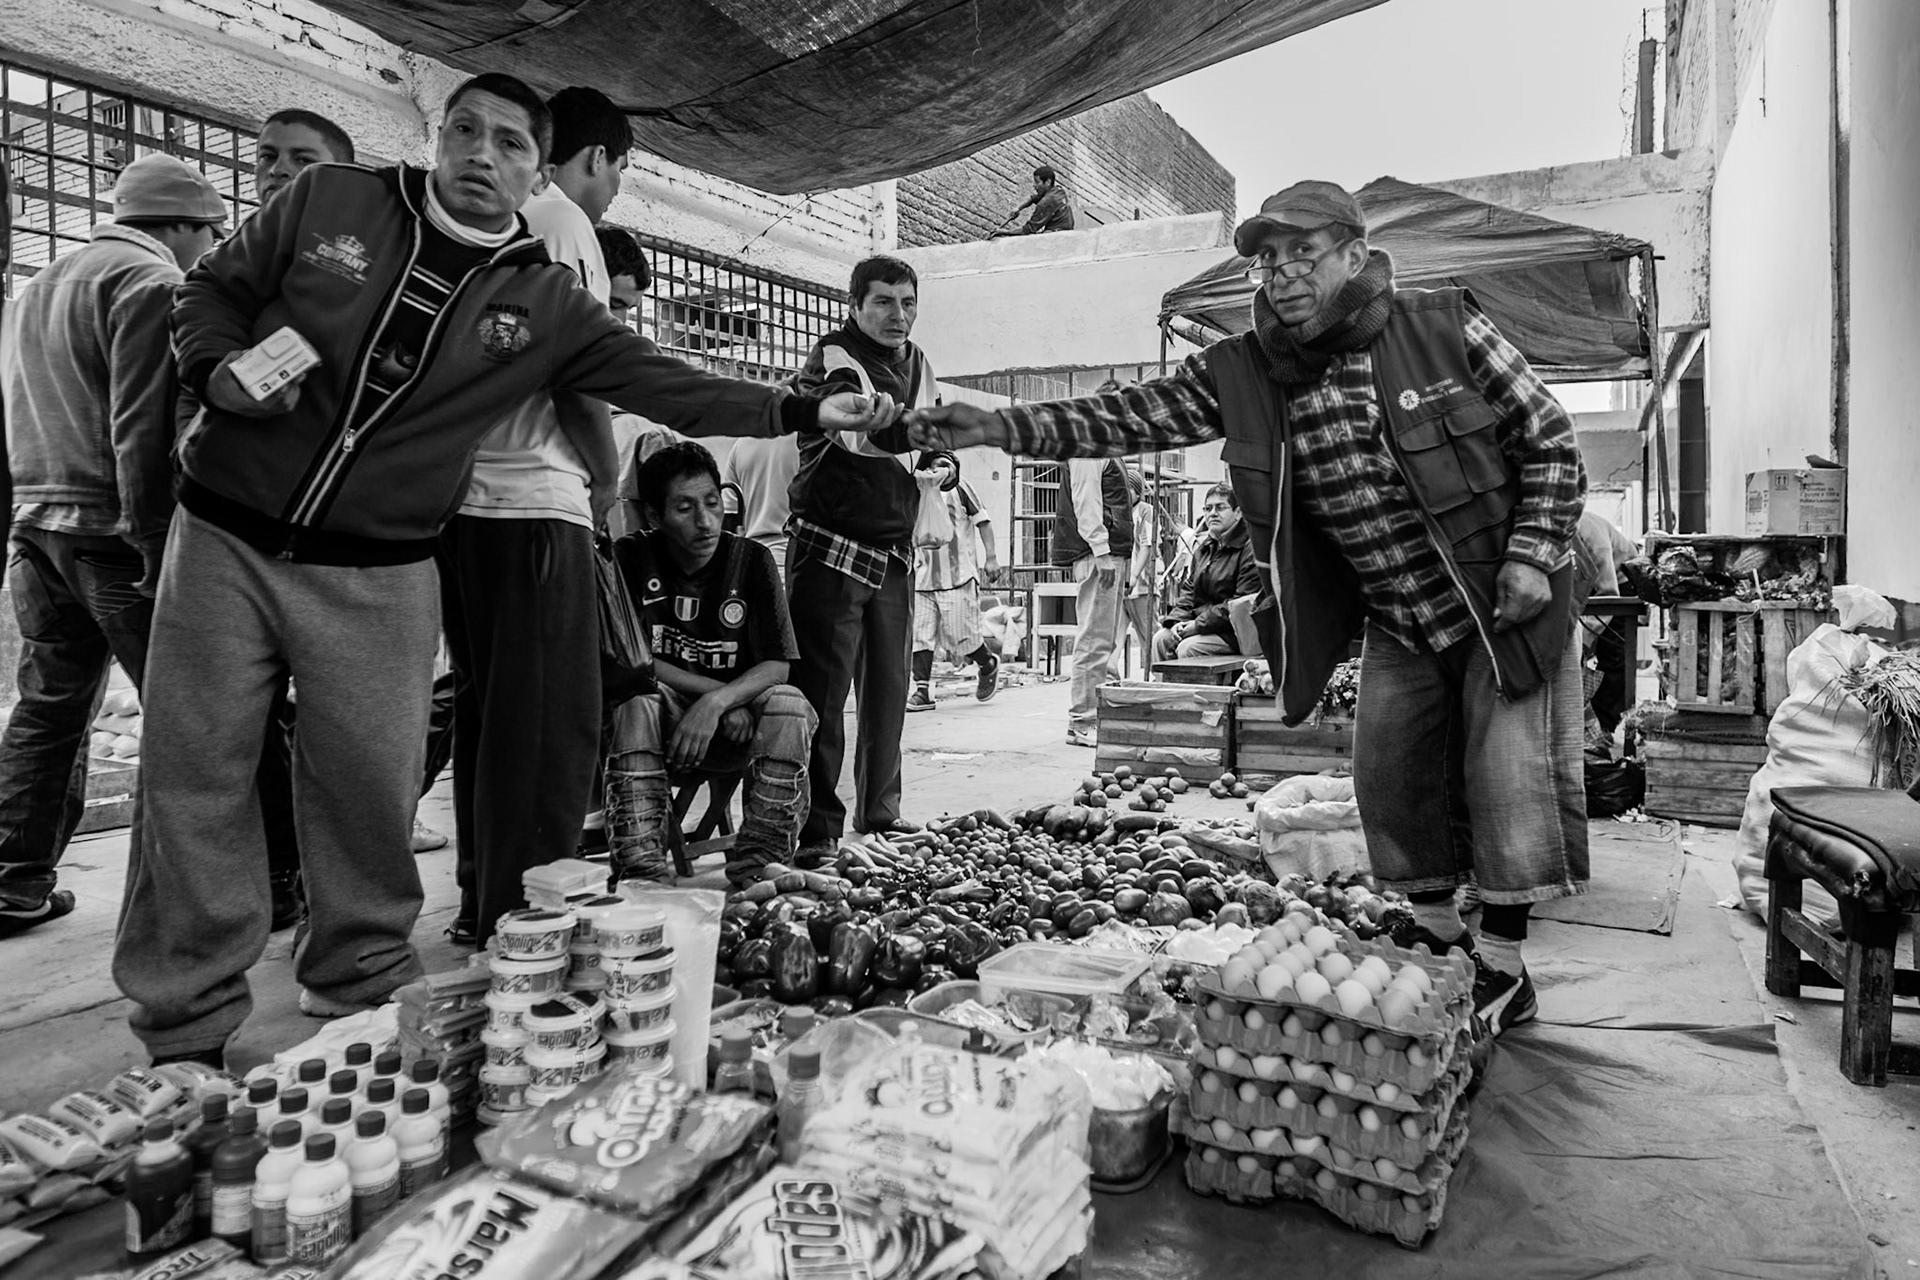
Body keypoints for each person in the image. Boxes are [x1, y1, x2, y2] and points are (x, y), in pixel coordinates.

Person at [116, 72, 894, 1067]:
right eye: (467, 132)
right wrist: (215, 364)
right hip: (224, 531)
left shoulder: (541, 296)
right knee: (195, 779)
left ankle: (355, 979)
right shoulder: (334, 202)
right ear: (440, 139)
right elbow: (214, 288)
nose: (483, 154)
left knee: (368, 782)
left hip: (384, 561)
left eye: (511, 143)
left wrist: (797, 409)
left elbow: (665, 382)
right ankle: (184, 1027)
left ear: (538, 169)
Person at [910, 179, 1588, 1036]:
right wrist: (994, 428)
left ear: (1353, 252)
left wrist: (1532, 555)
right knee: (1390, 778)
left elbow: (1550, 437)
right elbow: (1128, 417)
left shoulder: (1442, 325)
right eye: (1269, 261)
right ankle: (1441, 937)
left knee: (1506, 781)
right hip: (1399, 615)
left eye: (1303, 254)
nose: (1282, 275)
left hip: (1496, 598)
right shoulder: (1248, 368)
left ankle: (1505, 969)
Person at [0, 155, 226, 937]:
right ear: (179, 225)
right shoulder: (151, 284)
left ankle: (13, 881)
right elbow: (142, 426)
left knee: (49, 708)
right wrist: (160, 544)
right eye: (210, 233)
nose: (210, 249)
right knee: (191, 719)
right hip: (112, 534)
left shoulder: (44, 283)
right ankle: (194, 903)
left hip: (35, 527)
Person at [436, 85, 632, 948]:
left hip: (469, 508)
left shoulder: (497, 227)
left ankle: (485, 906)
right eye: (620, 173)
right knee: (551, 732)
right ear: (597, 159)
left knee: (491, 719)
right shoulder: (561, 225)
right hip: (533, 505)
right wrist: (608, 473)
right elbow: (580, 375)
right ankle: (529, 935)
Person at [787, 255, 947, 861]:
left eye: (907, 303)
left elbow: (926, 438)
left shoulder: (921, 361)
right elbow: (857, 431)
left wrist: (944, 464)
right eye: (883, 301)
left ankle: (881, 811)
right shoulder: (833, 357)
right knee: (822, 697)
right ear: (855, 305)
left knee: (888, 688)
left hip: (894, 551)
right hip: (829, 547)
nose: (897, 315)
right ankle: (817, 829)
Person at [604, 443, 816, 887]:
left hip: (738, 726)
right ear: (654, 517)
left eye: (712, 503)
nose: (705, 521)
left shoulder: (752, 560)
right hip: (664, 726)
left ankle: (760, 862)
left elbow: (777, 666)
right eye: (685, 508)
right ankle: (641, 872)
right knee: (635, 699)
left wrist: (719, 701)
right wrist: (710, 698)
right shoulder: (630, 558)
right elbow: (633, 660)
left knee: (789, 705)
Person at [907, 455, 1001, 712]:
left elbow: (983, 522)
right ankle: (923, 690)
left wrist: (991, 558)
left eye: (945, 466)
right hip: (922, 577)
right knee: (920, 635)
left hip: (958, 576)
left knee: (962, 637)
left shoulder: (961, 489)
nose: (939, 471)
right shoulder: (915, 491)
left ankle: (987, 663)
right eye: (933, 466)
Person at [1054, 452, 1134, 748]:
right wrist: (1101, 551)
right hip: (1098, 554)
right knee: (1093, 639)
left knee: (1104, 640)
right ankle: (1083, 721)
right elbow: (1086, 502)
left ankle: (1097, 714)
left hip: (1107, 553)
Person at [1153, 481, 1259, 663]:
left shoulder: (1251, 549)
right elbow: (1188, 593)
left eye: (1220, 507)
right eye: (1207, 508)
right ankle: (1167, 690)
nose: (1212, 513)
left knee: (1189, 648)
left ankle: (1199, 692)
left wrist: (1198, 625)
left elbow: (1239, 603)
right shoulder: (1204, 548)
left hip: (1235, 632)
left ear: (1238, 512)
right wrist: (1176, 622)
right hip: (1203, 625)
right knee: (1161, 638)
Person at [721, 436, 801, 578]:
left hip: (754, 563)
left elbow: (730, 518)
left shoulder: (741, 445)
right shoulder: (811, 443)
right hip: (798, 563)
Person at [1005, 165, 1074, 236]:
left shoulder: (1046, 202)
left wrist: (1004, 232)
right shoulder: (1059, 191)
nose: (1034, 185)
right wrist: (1018, 208)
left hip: (1056, 235)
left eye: (1037, 182)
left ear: (1048, 182)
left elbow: (1028, 229)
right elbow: (1033, 198)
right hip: (1068, 233)